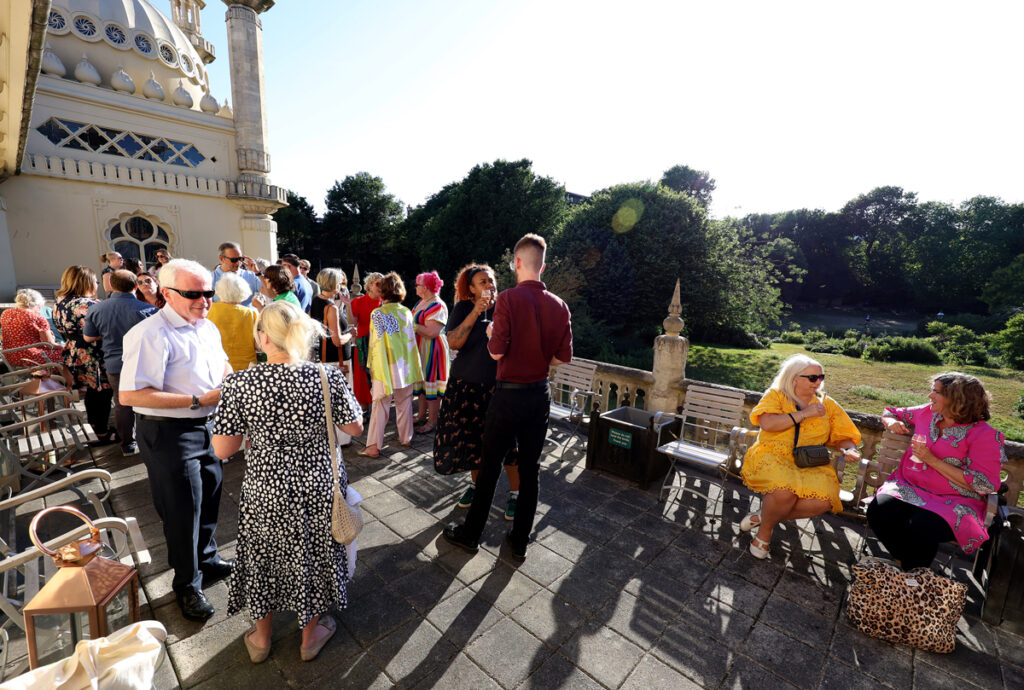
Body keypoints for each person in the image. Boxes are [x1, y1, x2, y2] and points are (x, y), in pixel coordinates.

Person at [212, 301, 363, 663]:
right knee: (312, 554)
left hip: (266, 488)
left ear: (263, 337)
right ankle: (310, 637)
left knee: (263, 554)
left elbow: (222, 449)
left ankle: (261, 639)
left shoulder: (238, 382)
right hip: (318, 486)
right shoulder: (326, 376)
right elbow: (354, 429)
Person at [444, 234, 572, 561]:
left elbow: (497, 351)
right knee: (530, 469)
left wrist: (490, 335)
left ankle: (471, 535)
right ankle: (519, 542)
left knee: (489, 467)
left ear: (516, 263)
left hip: (508, 395)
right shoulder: (560, 305)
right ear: (542, 265)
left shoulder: (510, 300)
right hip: (539, 395)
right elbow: (561, 359)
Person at [119, 259, 232, 622]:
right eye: (193, 294)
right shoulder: (150, 333)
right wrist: (198, 400)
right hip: (169, 431)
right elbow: (131, 395)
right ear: (166, 293)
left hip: (206, 425)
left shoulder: (207, 326)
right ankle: (187, 584)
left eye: (208, 293)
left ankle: (208, 559)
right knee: (183, 510)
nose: (204, 300)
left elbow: (223, 368)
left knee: (210, 494)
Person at [867, 372, 1006, 569]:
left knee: (922, 526)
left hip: (956, 500)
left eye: (936, 392)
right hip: (911, 487)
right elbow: (891, 411)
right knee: (879, 511)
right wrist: (891, 422)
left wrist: (931, 460)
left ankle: (909, 577)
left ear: (957, 399)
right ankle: (910, 572)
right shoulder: (927, 413)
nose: (930, 396)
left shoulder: (985, 436)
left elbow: (985, 484)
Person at [739, 354, 862, 559]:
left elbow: (843, 435)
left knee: (823, 501)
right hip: (773, 454)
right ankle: (764, 533)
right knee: (784, 491)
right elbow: (768, 424)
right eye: (812, 377)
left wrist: (849, 449)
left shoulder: (826, 403)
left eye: (821, 376)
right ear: (794, 377)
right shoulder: (776, 395)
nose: (819, 381)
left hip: (809, 459)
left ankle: (764, 516)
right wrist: (805, 413)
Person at [434, 264, 520, 517]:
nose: (489, 286)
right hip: (465, 384)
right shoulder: (462, 308)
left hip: (498, 386)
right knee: (473, 441)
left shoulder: (506, 308)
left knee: (509, 443)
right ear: (470, 289)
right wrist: (475, 311)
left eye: (491, 281)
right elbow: (454, 342)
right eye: (482, 282)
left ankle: (515, 493)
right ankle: (476, 486)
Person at [83, 270, 158, 456]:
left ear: (112, 286)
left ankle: (128, 444)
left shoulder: (96, 309)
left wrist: (107, 332)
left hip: (115, 363)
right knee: (147, 402)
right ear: (135, 286)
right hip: (143, 362)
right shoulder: (148, 310)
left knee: (122, 403)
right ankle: (148, 442)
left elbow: (89, 337)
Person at [360, 272, 423, 459]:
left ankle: (373, 447)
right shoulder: (406, 312)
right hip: (405, 365)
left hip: (386, 365)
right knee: (404, 403)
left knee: (380, 405)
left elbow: (378, 343)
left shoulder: (378, 313)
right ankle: (406, 438)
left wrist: (373, 367)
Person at [53, 266, 114, 444]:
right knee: (102, 392)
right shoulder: (88, 305)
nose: (96, 284)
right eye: (95, 281)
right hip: (93, 351)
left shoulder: (60, 303)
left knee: (91, 392)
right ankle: (101, 432)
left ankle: (94, 427)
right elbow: (105, 328)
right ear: (86, 282)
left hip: (74, 350)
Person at [311, 268, 356, 445]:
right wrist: (351, 334)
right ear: (334, 284)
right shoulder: (331, 308)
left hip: (323, 357)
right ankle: (342, 438)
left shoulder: (316, 301)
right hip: (337, 358)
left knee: (328, 400)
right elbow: (337, 340)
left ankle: (332, 435)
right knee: (341, 399)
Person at [1, 288, 72, 388]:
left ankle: (53, 388)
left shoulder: (5, 314)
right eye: (40, 307)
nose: (40, 310)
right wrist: (66, 347)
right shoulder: (37, 318)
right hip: (30, 359)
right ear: (37, 305)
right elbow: (51, 345)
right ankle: (71, 387)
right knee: (65, 354)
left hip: (9, 358)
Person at [411, 270, 450, 434]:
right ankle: (421, 415)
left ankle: (433, 420)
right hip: (421, 348)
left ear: (425, 287)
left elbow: (432, 332)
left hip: (432, 348)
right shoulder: (422, 302)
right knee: (423, 383)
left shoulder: (437, 305)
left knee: (432, 383)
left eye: (417, 284)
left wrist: (411, 325)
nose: (415, 287)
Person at [207, 273, 259, 373]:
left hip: (216, 365)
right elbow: (257, 343)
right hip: (245, 367)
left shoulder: (209, 311)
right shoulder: (251, 313)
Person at [349, 272, 383, 412]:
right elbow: (353, 322)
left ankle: (378, 407)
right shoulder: (358, 302)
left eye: (383, 284)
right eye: (378, 284)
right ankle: (364, 408)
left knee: (379, 376)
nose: (381, 287)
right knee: (362, 377)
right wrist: (347, 305)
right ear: (369, 285)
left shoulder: (386, 302)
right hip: (363, 344)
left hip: (380, 345)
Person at [212, 242, 262, 308]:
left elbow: (271, 294)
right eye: (234, 260)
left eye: (240, 259)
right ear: (222, 259)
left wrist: (258, 273)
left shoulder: (251, 275)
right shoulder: (210, 278)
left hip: (249, 317)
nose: (238, 263)